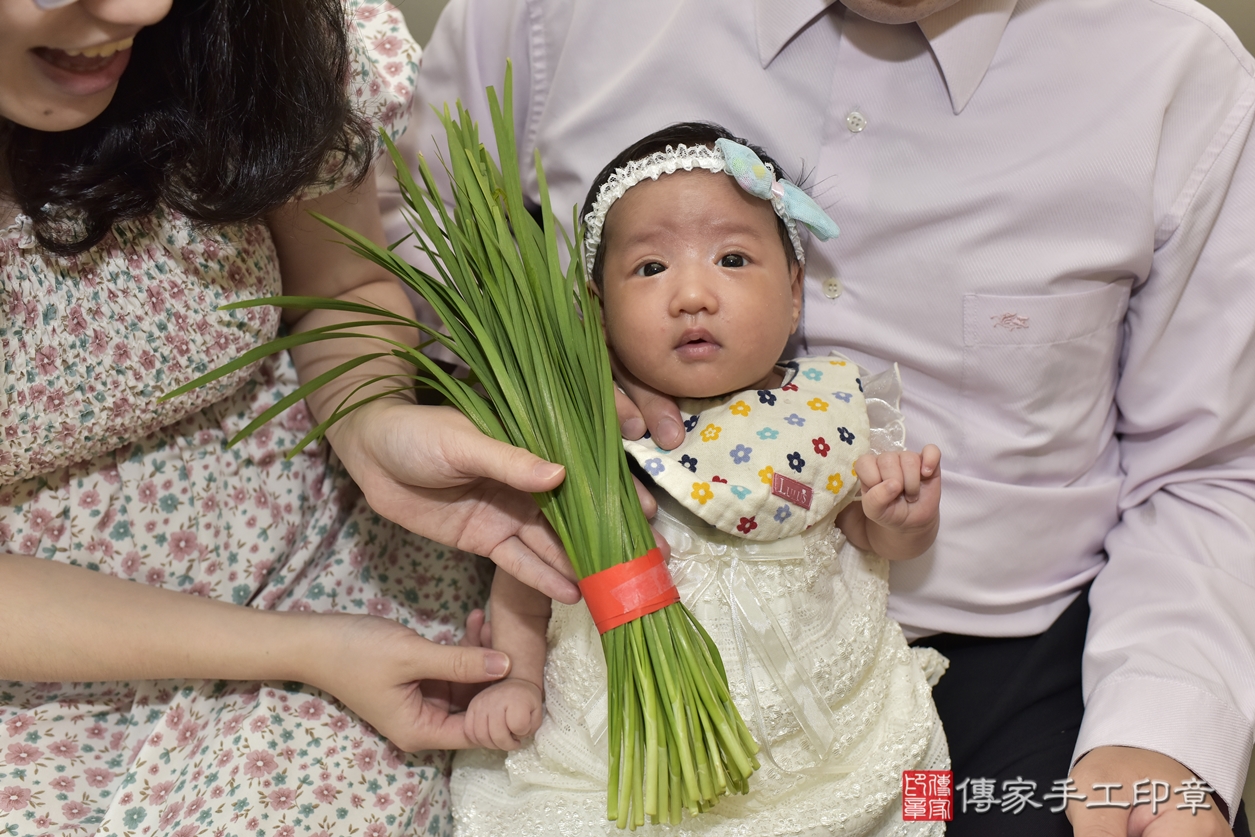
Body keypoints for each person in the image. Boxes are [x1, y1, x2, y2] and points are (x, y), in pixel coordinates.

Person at [382, 0, 1255, 835]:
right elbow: (402, 251)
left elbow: (1209, 466)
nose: (692, 292)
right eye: (654, 267)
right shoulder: (551, 16)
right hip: (615, 662)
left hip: (1008, 669)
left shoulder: (1179, 73)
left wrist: (1162, 732)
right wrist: (542, 369)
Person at [0, 0, 583, 834]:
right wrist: (299, 648)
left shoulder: (238, 32)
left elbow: (340, 290)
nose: (139, 9)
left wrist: (371, 419)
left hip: (335, 554)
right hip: (57, 660)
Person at [450, 122, 949, 836]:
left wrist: (903, 519)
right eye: (650, 268)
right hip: (622, 739)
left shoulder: (826, 408)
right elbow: (528, 573)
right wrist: (518, 676)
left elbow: (865, 537)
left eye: (733, 258)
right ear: (596, 309)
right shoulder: (590, 430)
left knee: (906, 774)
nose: (690, 293)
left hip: (825, 716)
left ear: (796, 290)